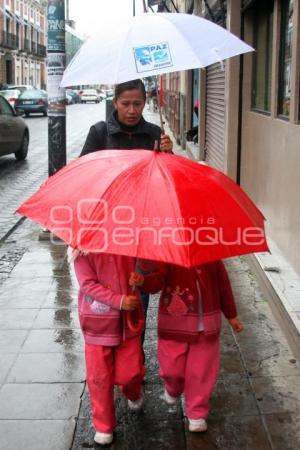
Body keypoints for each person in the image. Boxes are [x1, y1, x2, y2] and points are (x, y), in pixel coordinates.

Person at [80, 78, 173, 345]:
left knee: (137, 283)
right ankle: (109, 342)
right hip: (109, 220)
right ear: (114, 103)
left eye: (138, 104)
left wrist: (169, 154)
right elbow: (86, 171)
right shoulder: (99, 133)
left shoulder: (155, 133)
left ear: (145, 103)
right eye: (126, 104)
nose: (132, 110)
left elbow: (166, 179)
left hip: (143, 219)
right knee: (111, 284)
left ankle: (134, 348)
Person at [129, 260, 244, 433]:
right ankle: (173, 387)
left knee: (202, 372)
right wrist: (143, 282)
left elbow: (224, 286)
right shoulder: (169, 258)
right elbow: (157, 282)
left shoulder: (212, 258)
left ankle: (197, 412)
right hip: (175, 324)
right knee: (171, 368)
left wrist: (231, 314)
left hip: (206, 327)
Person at [72, 249, 145, 446]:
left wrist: (140, 276)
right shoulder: (82, 249)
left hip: (127, 323)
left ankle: (133, 390)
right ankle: (103, 425)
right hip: (97, 325)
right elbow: (87, 284)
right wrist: (118, 301)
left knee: (131, 372)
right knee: (99, 378)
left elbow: (147, 267)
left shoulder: (129, 243)